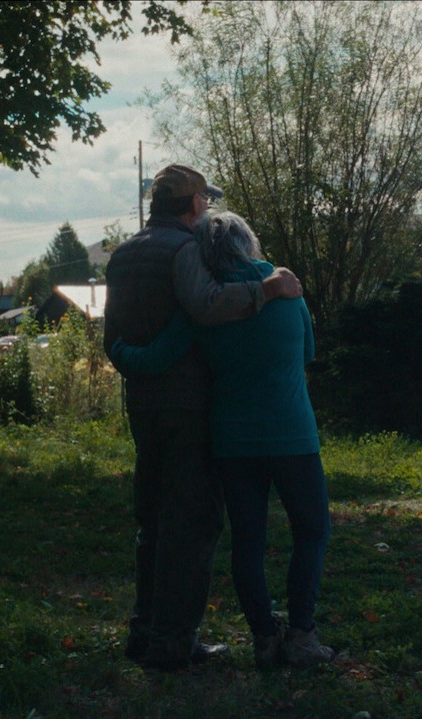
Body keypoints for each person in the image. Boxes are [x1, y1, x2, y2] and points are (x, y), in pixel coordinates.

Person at [110, 211, 334, 670]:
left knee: (247, 540)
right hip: (292, 432)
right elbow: (309, 352)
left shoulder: (204, 312)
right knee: (310, 531)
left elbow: (153, 359)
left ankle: (264, 639)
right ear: (248, 243)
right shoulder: (285, 290)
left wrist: (117, 349)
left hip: (232, 440)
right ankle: (302, 634)